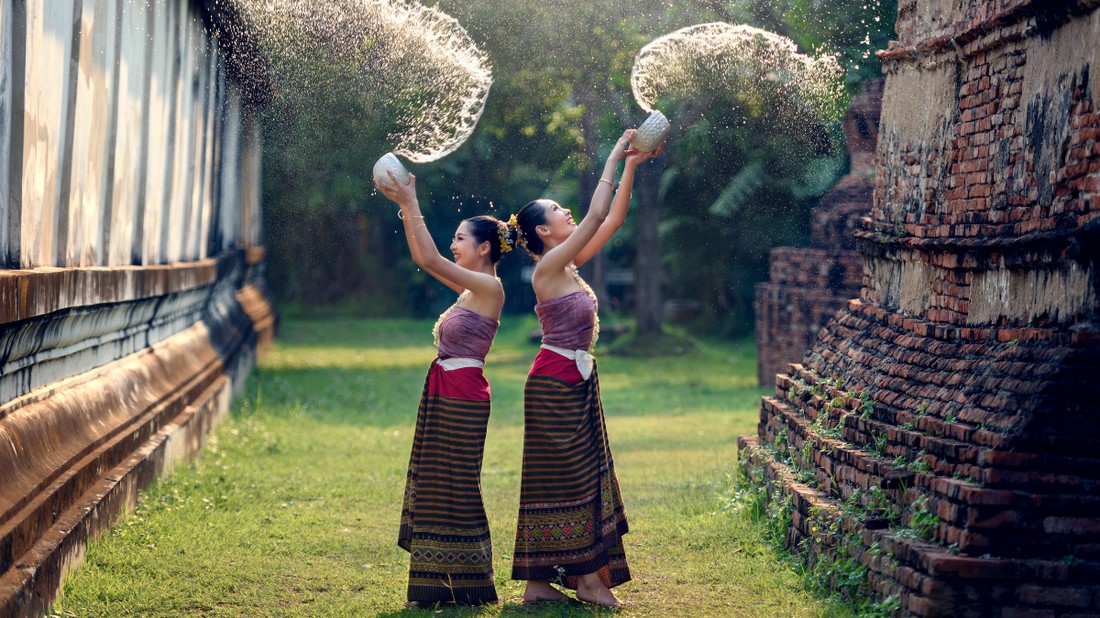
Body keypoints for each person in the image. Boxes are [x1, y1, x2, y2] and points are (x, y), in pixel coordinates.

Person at [508, 129, 663, 608]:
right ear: (542, 232)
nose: (567, 212)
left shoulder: (567, 263)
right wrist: (615, 153)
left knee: (566, 479)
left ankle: (541, 584)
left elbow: (611, 220)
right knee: (568, 480)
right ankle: (588, 582)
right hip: (554, 384)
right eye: (557, 210)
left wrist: (633, 166)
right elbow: (596, 212)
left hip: (572, 382)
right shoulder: (547, 268)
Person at [376, 170, 517, 607]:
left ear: (484, 248)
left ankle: (472, 585)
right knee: (438, 484)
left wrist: (412, 197)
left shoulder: (490, 287)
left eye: (460, 239)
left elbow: (434, 260)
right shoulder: (469, 289)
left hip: (463, 396)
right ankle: (434, 586)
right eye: (453, 239)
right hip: (445, 391)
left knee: (458, 485)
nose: (453, 245)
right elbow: (424, 257)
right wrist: (403, 207)